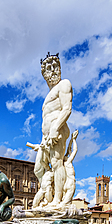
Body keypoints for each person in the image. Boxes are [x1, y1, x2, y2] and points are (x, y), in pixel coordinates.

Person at [35, 53, 72, 206]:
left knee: (57, 163)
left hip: (58, 130)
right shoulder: (48, 95)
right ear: (44, 74)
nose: (53, 71)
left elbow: (67, 108)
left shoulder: (64, 84)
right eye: (48, 69)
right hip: (46, 137)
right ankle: (48, 196)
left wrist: (55, 128)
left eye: (55, 67)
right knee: (38, 168)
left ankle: (57, 200)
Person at [61, 130, 78, 205]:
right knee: (65, 205)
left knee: (64, 202)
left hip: (65, 185)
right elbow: (74, 150)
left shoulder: (63, 165)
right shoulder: (68, 162)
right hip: (71, 182)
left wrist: (71, 139)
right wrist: (74, 140)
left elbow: (69, 150)